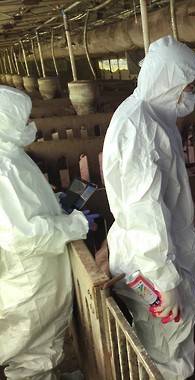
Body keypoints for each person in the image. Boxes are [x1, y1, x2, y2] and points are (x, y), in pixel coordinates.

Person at [102, 36, 195, 379]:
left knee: (162, 338)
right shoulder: (139, 127)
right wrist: (166, 279)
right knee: (166, 343)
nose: (191, 93)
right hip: (152, 264)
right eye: (187, 86)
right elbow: (144, 208)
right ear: (169, 81)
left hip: (156, 256)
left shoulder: (152, 117)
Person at [0, 86, 90, 379]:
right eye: (23, 120)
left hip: (34, 278)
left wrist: (55, 206)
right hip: (29, 283)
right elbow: (22, 235)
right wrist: (75, 224)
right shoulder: (4, 167)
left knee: (42, 351)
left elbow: (24, 210)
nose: (31, 126)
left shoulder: (10, 153)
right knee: (32, 358)